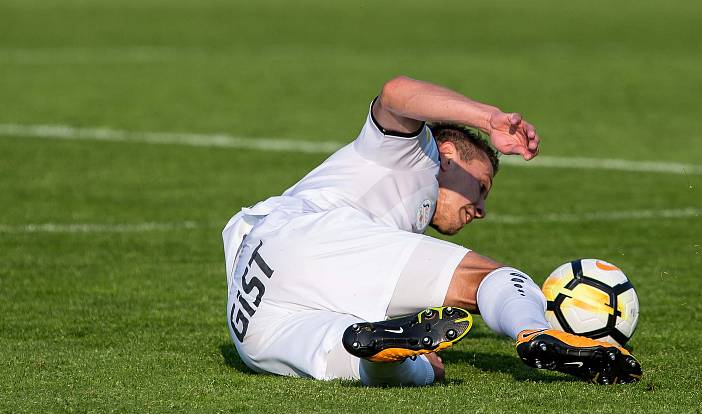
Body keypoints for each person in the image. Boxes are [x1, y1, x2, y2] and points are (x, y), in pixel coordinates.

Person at [222, 76, 642, 387]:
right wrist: (489, 117)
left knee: (400, 368)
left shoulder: (390, 219)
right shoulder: (411, 154)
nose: (479, 209)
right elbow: (396, 92)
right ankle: (536, 331)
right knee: (493, 278)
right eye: (479, 187)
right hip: (303, 233)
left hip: (253, 323)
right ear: (447, 156)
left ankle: (387, 348)